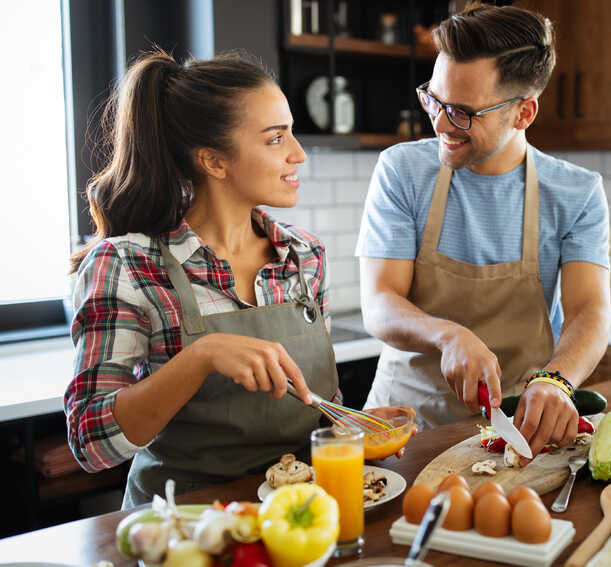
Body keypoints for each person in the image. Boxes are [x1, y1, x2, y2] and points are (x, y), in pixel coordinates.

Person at [66, 49, 405, 508]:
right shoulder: (125, 265)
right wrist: (200, 357)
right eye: (274, 139)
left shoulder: (304, 256)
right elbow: (92, 442)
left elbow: (315, 403)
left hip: (300, 510)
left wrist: (353, 426)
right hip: (185, 528)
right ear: (213, 161)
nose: (298, 153)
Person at [357, 3, 611, 457]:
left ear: (524, 113)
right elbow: (379, 304)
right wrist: (448, 334)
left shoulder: (577, 193)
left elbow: (589, 311)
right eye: (433, 99)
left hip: (517, 429)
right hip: (404, 430)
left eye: (461, 112)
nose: (438, 123)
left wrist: (556, 381)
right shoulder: (401, 170)